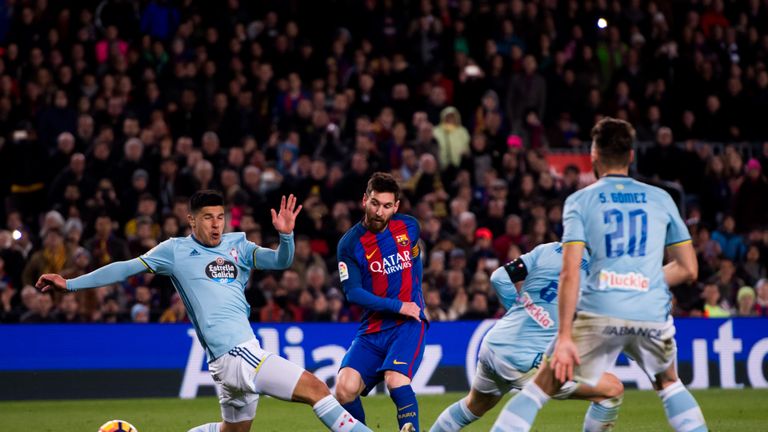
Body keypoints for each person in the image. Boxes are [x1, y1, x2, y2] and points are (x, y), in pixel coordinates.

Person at [36, 190, 370, 432]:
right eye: (208, 218)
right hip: (235, 354)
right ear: (192, 220)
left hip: (231, 360)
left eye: (220, 217)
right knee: (316, 389)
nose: (215, 225)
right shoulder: (175, 251)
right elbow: (125, 269)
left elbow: (281, 261)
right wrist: (70, 284)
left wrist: (286, 237)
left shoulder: (237, 243)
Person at [491, 118, 707, 431]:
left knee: (538, 389)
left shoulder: (580, 200)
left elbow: (570, 272)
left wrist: (564, 335)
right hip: (649, 308)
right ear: (631, 156)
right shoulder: (662, 198)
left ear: (593, 156)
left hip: (600, 308)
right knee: (669, 383)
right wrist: (639, 281)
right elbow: (689, 269)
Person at [430, 242, 624, 431]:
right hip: (525, 359)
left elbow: (499, 277)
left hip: (494, 344)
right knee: (611, 390)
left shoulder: (548, 249)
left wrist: (519, 308)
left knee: (474, 405)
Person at [335, 172, 427, 432]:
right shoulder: (350, 244)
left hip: (408, 324)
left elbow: (415, 258)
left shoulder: (409, 227)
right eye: (375, 203)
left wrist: (416, 295)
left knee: (396, 381)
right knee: (344, 388)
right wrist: (398, 305)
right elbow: (353, 293)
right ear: (364, 200)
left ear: (395, 207)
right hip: (374, 328)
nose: (379, 212)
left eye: (387, 206)